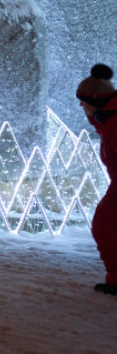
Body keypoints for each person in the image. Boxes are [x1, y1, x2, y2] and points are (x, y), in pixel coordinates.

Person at [75, 63, 117, 296]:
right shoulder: (107, 121)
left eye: (84, 101)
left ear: (97, 101)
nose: (81, 106)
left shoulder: (114, 124)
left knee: (104, 225)